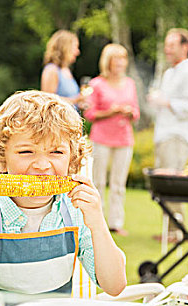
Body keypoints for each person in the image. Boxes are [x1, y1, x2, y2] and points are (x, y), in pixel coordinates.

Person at [0, 91, 127, 297]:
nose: (42, 165)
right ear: (1, 159)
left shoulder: (76, 212)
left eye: (56, 152)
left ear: (72, 160)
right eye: (26, 152)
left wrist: (97, 223)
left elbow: (115, 285)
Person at [147, 28, 188, 242]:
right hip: (163, 134)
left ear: (184, 47)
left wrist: (166, 102)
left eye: (172, 45)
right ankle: (169, 231)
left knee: (172, 183)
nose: (167, 50)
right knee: (164, 185)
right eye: (166, 45)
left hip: (178, 136)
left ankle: (176, 232)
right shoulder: (169, 73)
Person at [84, 44, 140, 237]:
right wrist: (112, 112)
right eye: (116, 59)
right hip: (101, 139)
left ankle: (116, 223)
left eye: (123, 58)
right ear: (108, 62)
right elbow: (90, 113)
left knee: (118, 185)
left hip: (124, 140)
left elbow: (136, 111)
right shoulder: (96, 84)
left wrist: (130, 113)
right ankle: (95, 222)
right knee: (98, 182)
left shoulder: (130, 84)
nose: (120, 63)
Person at [41, 29, 88, 110]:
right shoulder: (51, 70)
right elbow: (48, 101)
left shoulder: (66, 70)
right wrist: (76, 100)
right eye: (75, 47)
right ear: (65, 48)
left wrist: (79, 104)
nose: (78, 52)